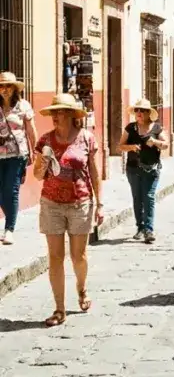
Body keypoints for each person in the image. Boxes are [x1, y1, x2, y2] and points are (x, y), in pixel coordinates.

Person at [32, 94, 102, 326]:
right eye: (53, 112)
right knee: (55, 256)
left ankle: (81, 289)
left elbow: (93, 172)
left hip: (80, 203)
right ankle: (59, 308)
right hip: (51, 202)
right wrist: (42, 165)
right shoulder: (45, 141)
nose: (55, 116)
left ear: (72, 115)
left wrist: (99, 203)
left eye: (60, 111)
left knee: (78, 256)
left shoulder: (86, 139)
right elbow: (37, 175)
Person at [119, 99, 168, 244]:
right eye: (137, 110)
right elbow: (121, 145)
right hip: (133, 168)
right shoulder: (130, 128)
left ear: (148, 113)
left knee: (149, 196)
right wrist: (132, 147)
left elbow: (165, 145)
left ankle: (149, 229)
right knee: (137, 197)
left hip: (151, 169)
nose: (139, 113)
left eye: (142, 111)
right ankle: (140, 227)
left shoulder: (156, 128)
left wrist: (155, 142)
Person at [0, 72, 36, 243]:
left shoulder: (23, 106)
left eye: (8, 86)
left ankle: (9, 229)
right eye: (1, 86)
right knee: (1, 192)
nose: (4, 89)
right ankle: (11, 218)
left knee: (11, 189)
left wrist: (36, 150)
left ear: (14, 88)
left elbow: (30, 130)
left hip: (17, 154)